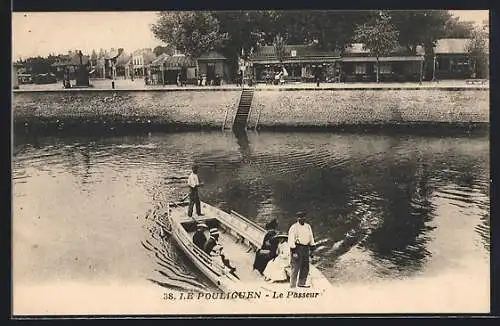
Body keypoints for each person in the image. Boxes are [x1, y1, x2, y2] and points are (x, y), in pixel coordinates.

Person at [288, 211, 315, 288]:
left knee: (305, 266)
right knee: (295, 266)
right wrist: (294, 251)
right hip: (297, 248)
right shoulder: (294, 227)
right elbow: (291, 240)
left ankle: (301, 283)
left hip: (306, 248)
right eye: (300, 217)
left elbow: (311, 237)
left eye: (303, 217)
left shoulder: (308, 226)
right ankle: (292, 285)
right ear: (297, 218)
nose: (302, 219)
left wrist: (312, 248)